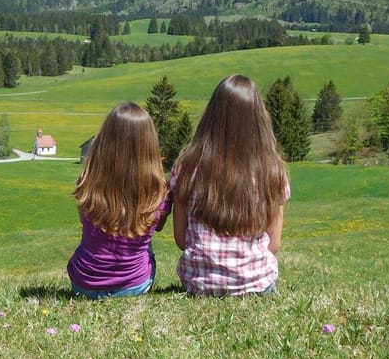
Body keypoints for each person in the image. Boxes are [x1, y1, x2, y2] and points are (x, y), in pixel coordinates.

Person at [171, 75, 290, 296]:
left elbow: (181, 238)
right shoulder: (272, 170)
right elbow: (273, 245)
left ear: (211, 115)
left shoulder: (186, 166)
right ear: (259, 118)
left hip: (199, 284)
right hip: (256, 284)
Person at [67, 102, 171, 298]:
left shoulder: (88, 180)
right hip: (134, 286)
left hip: (83, 283)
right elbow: (157, 226)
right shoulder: (159, 189)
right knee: (144, 244)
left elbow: (85, 221)